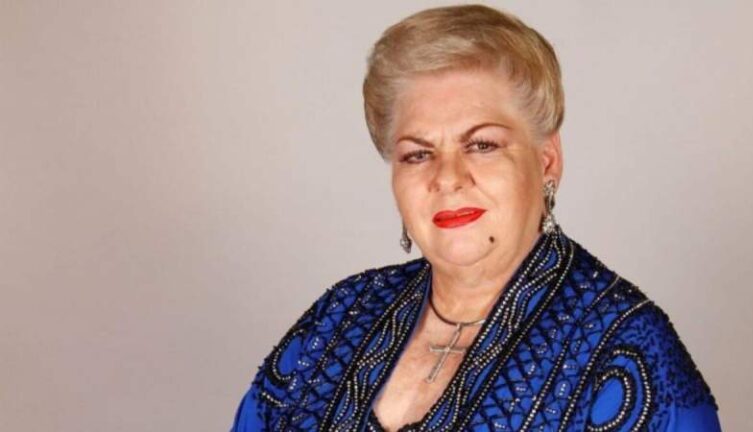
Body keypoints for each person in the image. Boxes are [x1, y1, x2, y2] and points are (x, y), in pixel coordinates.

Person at [230, 4, 721, 431]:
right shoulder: (341, 315)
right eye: (417, 154)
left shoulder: (624, 350)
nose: (448, 178)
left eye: (482, 145)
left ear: (547, 161)